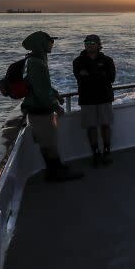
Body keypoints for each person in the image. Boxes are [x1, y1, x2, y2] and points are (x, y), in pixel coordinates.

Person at [20, 31, 83, 182]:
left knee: (49, 141)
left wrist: (56, 94)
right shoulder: (36, 63)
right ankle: (55, 173)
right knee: (49, 143)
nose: (52, 45)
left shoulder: (36, 60)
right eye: (50, 42)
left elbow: (43, 85)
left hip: (40, 109)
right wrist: (56, 106)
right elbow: (41, 91)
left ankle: (56, 168)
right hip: (40, 111)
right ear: (41, 44)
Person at [73, 34, 116, 167]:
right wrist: (100, 75)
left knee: (105, 124)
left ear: (98, 44)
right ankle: (96, 153)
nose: (89, 44)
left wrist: (90, 75)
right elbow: (80, 78)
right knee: (91, 126)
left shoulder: (108, 60)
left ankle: (107, 151)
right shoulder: (78, 61)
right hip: (87, 99)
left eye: (92, 42)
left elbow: (111, 78)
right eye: (87, 42)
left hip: (104, 98)